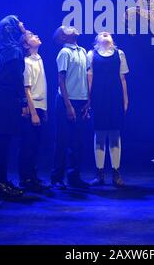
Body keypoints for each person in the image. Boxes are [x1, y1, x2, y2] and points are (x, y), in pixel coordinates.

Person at [0, 15, 27, 199]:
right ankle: (0, 184)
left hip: (1, 96)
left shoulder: (3, 50)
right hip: (8, 97)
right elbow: (18, 79)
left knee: (3, 142)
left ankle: (1, 181)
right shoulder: (14, 51)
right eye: (18, 22)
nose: (22, 24)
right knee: (4, 142)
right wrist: (23, 102)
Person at [87, 32, 129, 187]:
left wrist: (125, 99)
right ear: (97, 41)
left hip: (115, 97)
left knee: (115, 133)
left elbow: (122, 78)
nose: (105, 33)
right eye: (101, 34)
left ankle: (116, 173)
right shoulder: (91, 54)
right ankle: (99, 174)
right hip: (98, 98)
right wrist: (88, 99)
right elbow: (89, 78)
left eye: (108, 33)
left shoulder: (120, 54)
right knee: (99, 134)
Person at [51, 26, 90, 189]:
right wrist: (68, 106)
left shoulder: (82, 51)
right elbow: (61, 80)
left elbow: (87, 77)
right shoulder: (65, 52)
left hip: (81, 100)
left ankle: (74, 176)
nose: (71, 28)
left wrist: (88, 100)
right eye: (66, 29)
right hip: (66, 101)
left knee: (78, 141)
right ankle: (57, 178)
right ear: (63, 37)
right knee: (63, 139)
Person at [18, 30, 48, 193]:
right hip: (32, 108)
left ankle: (33, 175)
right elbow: (27, 89)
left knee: (36, 144)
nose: (36, 36)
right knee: (27, 145)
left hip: (40, 107)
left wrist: (44, 109)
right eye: (32, 36)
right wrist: (34, 112)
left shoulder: (39, 59)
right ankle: (26, 178)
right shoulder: (27, 62)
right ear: (26, 44)